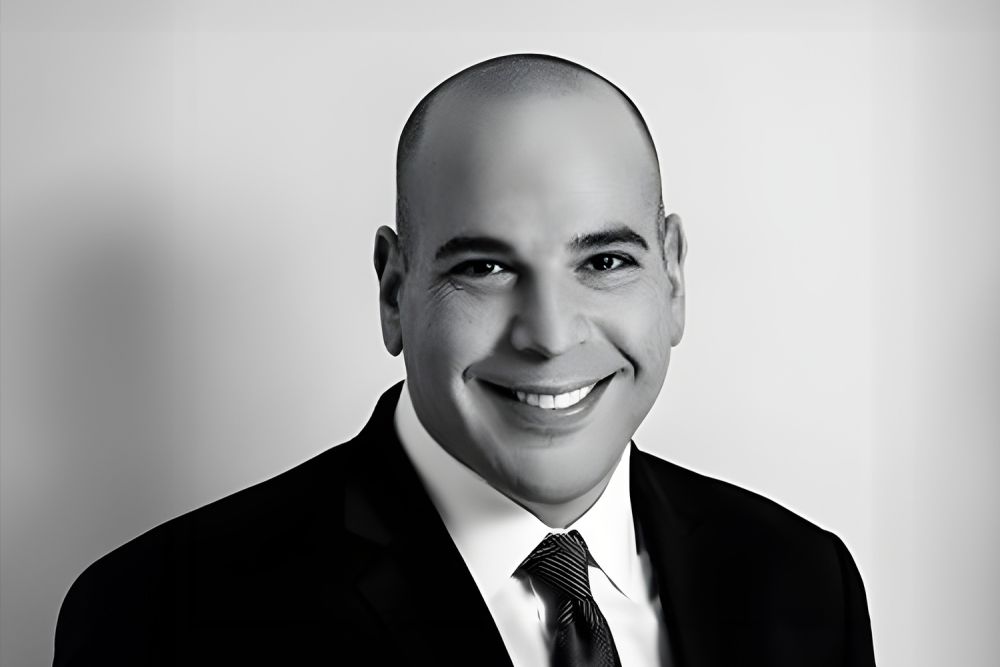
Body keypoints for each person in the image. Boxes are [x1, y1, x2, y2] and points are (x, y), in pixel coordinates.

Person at [54, 54, 876, 666]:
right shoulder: (161, 616)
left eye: (604, 261)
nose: (551, 335)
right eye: (484, 267)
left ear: (674, 276)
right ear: (393, 291)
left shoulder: (801, 580)